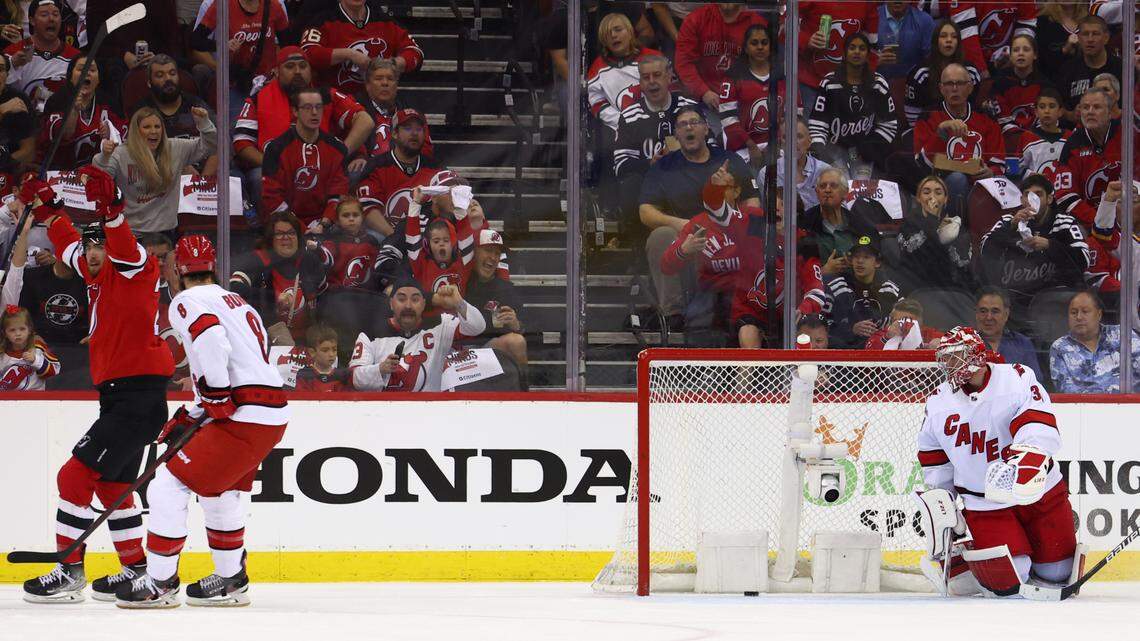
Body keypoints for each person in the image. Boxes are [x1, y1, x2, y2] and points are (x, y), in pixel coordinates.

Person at [23, 165, 174, 603]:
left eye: (101, 247)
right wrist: (49, 208)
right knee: (110, 486)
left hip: (138, 398)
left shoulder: (137, 268)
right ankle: (136, 571)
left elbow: (125, 246)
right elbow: (67, 242)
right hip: (120, 399)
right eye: (92, 246)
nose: (93, 253)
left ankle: (69, 571)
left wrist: (113, 214)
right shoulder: (96, 274)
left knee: (73, 476)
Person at [115, 234, 288, 608]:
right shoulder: (238, 301)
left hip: (243, 412)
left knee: (167, 484)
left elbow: (210, 338)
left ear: (178, 270)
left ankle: (160, 584)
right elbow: (242, 359)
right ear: (213, 267)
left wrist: (216, 396)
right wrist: (197, 410)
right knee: (220, 491)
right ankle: (231, 580)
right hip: (269, 412)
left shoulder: (185, 300)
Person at [915, 326, 1078, 597]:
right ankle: (963, 560)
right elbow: (934, 456)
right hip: (985, 504)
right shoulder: (938, 402)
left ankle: (1044, 543)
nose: (949, 365)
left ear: (977, 355)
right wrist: (942, 498)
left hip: (1038, 493)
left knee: (1057, 574)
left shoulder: (1016, 378)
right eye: (946, 358)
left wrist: (1028, 458)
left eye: (956, 356)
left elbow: (1036, 422)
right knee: (1010, 582)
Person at [639, 105, 758, 325]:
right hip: (685, 235)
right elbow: (645, 211)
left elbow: (752, 202)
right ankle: (672, 314)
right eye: (682, 125)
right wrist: (680, 224)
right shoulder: (663, 167)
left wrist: (737, 225)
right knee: (660, 236)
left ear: (706, 129)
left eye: (694, 122)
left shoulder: (729, 160)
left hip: (727, 233)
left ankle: (749, 304)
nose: (688, 128)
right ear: (676, 134)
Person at [232, 47, 373, 178]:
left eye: (303, 66)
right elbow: (242, 143)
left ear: (310, 71)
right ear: (276, 71)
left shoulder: (327, 95)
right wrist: (270, 164)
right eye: (290, 66)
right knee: (257, 178)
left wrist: (340, 154)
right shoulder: (257, 100)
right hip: (274, 171)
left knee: (359, 172)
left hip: (323, 169)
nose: (298, 71)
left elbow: (365, 121)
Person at [94, 106, 217, 237]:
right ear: (136, 131)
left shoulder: (176, 148)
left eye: (157, 126)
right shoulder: (121, 153)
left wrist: (204, 123)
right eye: (147, 127)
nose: (153, 131)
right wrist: (104, 156)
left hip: (166, 235)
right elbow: (100, 177)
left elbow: (210, 145)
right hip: (130, 234)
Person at [349, 279, 485, 392]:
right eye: (401, 299)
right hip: (385, 414)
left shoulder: (441, 324)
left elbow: (477, 327)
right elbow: (355, 379)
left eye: (415, 299)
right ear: (391, 303)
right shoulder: (369, 333)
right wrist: (380, 369)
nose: (408, 305)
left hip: (429, 414)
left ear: (424, 304)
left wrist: (458, 303)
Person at [979, 173, 1090, 312]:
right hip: (1012, 301)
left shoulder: (1064, 223)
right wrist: (1011, 227)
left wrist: (1050, 245)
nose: (1032, 199)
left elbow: (1084, 259)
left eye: (1038, 194)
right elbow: (984, 251)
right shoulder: (1008, 221)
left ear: (1049, 199)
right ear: (1021, 199)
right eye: (1027, 195)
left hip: (1053, 301)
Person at [807, 31, 899, 175]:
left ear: (868, 54)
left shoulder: (878, 84)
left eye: (862, 48)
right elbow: (818, 123)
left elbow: (889, 124)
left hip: (864, 152)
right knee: (840, 186)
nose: (857, 52)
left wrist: (872, 146)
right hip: (834, 149)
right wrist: (819, 146)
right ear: (844, 53)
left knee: (860, 188)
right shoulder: (830, 83)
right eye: (852, 48)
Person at [914, 63, 1005, 204]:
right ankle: (953, 225)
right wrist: (941, 132)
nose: (955, 89)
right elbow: (921, 164)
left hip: (982, 185)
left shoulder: (986, 117)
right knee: (958, 178)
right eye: (949, 83)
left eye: (960, 83)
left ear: (970, 88)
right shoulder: (928, 116)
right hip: (941, 186)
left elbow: (999, 161)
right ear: (941, 88)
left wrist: (991, 171)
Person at [261, 87, 350, 229]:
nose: (314, 112)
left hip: (325, 225)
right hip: (286, 226)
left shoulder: (337, 149)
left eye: (318, 107)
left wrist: (324, 224)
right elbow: (272, 198)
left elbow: (338, 193)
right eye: (307, 107)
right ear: (295, 111)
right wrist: (301, 228)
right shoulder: (276, 149)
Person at [229, 211, 325, 343]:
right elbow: (233, 288)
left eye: (291, 233)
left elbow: (325, 298)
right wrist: (273, 297)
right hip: (266, 340)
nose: (286, 237)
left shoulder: (309, 261)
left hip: (308, 342)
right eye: (280, 234)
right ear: (270, 238)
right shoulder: (257, 260)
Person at [299, 0, 424, 95]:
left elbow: (415, 52)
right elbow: (308, 53)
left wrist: (394, 63)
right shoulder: (323, 21)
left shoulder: (387, 22)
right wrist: (349, 54)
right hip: (335, 103)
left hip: (378, 102)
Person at [355, 108, 444, 237]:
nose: (414, 133)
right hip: (386, 236)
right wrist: (395, 238)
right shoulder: (376, 166)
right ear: (395, 133)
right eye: (407, 128)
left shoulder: (435, 168)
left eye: (419, 129)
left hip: (426, 239)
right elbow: (369, 210)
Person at [719, 25, 798, 166]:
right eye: (754, 43)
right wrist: (751, 145)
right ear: (746, 48)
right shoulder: (733, 77)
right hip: (742, 147)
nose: (760, 47)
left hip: (778, 145)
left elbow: (794, 114)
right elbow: (728, 119)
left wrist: (776, 142)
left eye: (764, 42)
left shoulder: (784, 75)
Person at [1048, 87, 1123, 227]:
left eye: (1097, 107)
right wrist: (1099, 221)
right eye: (1085, 107)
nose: (1090, 112)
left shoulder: (1127, 133)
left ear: (1110, 112)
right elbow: (1065, 195)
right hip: (1091, 225)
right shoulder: (1073, 144)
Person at [674, 3, 767, 113]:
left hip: (744, 103)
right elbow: (684, 63)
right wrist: (704, 92)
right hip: (703, 103)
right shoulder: (696, 19)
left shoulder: (757, 24)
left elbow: (763, 68)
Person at [40, 55, 124, 171]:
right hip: (61, 173)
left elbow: (124, 138)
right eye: (81, 69)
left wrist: (111, 134)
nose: (87, 72)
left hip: (100, 173)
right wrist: (74, 110)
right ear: (70, 77)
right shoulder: (57, 101)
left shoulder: (108, 103)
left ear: (99, 78)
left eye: (92, 70)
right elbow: (63, 136)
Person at [819, 234, 902, 349]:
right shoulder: (836, 287)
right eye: (856, 257)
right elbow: (823, 327)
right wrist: (851, 330)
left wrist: (887, 332)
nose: (860, 261)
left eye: (866, 257)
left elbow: (907, 322)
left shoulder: (891, 290)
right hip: (846, 356)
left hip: (882, 354)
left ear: (877, 262)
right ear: (851, 260)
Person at [462, 229, 527, 374]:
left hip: (488, 351)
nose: (493, 257)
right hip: (456, 350)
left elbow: (527, 328)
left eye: (497, 253)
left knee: (516, 342)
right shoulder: (459, 281)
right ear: (475, 252)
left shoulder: (506, 288)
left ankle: (523, 395)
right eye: (488, 250)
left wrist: (516, 325)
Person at [1050, 289, 1140, 393]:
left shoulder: (1123, 335)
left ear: (1099, 314)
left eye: (1085, 311)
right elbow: (1066, 390)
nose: (1079, 317)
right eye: (1073, 312)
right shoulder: (1060, 347)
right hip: (1081, 408)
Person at [586, 12, 664, 130]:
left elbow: (671, 91)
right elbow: (596, 103)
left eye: (618, 29)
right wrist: (622, 121)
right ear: (604, 41)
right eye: (607, 33)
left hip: (657, 125)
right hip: (621, 133)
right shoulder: (597, 68)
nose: (613, 35)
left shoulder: (654, 58)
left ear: (630, 32)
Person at [896, 175, 973, 292]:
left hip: (947, 292)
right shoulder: (909, 223)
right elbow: (909, 250)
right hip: (915, 289)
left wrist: (951, 236)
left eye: (938, 193)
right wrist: (932, 222)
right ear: (918, 198)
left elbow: (963, 264)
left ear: (946, 199)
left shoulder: (952, 226)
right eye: (926, 192)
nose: (932, 197)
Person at [795, 1, 878, 107]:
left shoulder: (867, 4)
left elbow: (871, 44)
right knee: (812, 123)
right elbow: (785, 24)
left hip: (850, 83)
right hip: (813, 82)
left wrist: (867, 74)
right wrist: (806, 40)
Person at [3, 0, 80, 111]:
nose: (51, 19)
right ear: (32, 20)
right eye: (44, 15)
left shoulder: (76, 58)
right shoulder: (12, 53)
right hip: (23, 124)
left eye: (55, 14)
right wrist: (11, 65)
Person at [799, 167, 884, 267]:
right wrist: (823, 273)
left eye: (833, 186)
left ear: (845, 192)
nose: (827, 190)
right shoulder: (802, 224)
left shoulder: (862, 226)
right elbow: (794, 271)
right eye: (822, 186)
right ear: (817, 192)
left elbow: (875, 266)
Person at [904, 20, 982, 128]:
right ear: (936, 41)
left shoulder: (970, 72)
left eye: (954, 37)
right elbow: (912, 116)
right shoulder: (920, 74)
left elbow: (975, 108)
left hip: (966, 129)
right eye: (943, 36)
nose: (949, 40)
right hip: (930, 132)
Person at [357, 57, 434, 159]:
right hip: (368, 170)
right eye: (378, 78)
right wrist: (358, 156)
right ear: (367, 85)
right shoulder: (355, 110)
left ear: (396, 84)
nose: (385, 83)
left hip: (404, 168)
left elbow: (426, 151)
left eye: (390, 79)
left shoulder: (412, 112)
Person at [933, 1, 1037, 75]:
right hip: (972, 58)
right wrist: (981, 71)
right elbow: (966, 34)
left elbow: (1026, 22)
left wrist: (1014, 56)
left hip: (1006, 56)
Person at [132, 55, 216, 148]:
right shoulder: (142, 112)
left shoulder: (197, 106)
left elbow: (220, 142)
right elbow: (137, 152)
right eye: (160, 75)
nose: (168, 78)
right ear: (149, 82)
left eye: (172, 73)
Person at [756, 117, 833, 213]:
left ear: (809, 141)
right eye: (786, 137)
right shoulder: (768, 174)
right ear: (780, 143)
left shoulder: (825, 172)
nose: (792, 142)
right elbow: (768, 213)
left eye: (799, 136)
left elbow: (837, 211)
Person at [988, 35, 1053, 135]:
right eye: (1016, 50)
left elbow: (1047, 119)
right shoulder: (999, 84)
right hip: (1009, 139)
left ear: (1035, 55)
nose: (1021, 53)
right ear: (1010, 55)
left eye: (1026, 50)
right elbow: (1003, 121)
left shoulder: (1045, 85)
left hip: (1039, 140)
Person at [974, 286, 1042, 380]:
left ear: (1006, 315)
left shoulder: (1022, 344)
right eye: (983, 311)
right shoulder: (967, 346)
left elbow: (1035, 383)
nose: (988, 317)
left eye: (995, 311)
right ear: (976, 314)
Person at [1057, 16, 1121, 115]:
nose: (1090, 39)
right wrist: (1072, 115)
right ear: (1078, 37)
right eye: (1085, 34)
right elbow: (1061, 110)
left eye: (1095, 34)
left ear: (1106, 38)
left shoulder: (1122, 69)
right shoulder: (1067, 70)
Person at [0, 303, 60, 389]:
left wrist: (36, 360)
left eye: (22, 329)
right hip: (9, 401)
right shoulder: (2, 354)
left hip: (36, 399)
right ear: (4, 333)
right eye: (12, 330)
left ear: (30, 329)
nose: (18, 334)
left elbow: (54, 371)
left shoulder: (38, 348)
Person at [1017, 87, 1070, 177]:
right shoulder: (1027, 137)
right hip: (1034, 189)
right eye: (1042, 107)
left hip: (1064, 189)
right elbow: (1016, 168)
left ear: (1060, 111)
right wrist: (1031, 176)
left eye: (1052, 106)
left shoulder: (1070, 137)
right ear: (1036, 112)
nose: (1047, 111)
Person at [875, 0, 933, 80]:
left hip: (913, 84)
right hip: (876, 84)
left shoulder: (925, 21)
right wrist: (874, 60)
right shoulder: (871, 18)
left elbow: (932, 58)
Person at [0, 53, 35, 173]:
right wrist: (2, 110)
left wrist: (5, 164)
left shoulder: (18, 98)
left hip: (9, 170)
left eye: (1, 70)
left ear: (7, 75)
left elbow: (28, 150)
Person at [863, 298, 942, 350]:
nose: (901, 324)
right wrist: (886, 338)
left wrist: (943, 345)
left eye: (907, 320)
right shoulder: (881, 335)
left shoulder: (930, 334)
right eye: (897, 320)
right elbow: (868, 356)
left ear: (919, 322)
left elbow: (952, 343)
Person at [294, 324, 351, 392]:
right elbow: (302, 399)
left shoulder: (342, 375)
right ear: (312, 352)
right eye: (325, 350)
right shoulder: (304, 375)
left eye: (334, 349)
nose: (331, 354)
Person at [1036, 1, 1087, 73]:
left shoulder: (1090, 20)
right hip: (1054, 78)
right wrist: (1065, 49)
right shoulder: (1042, 22)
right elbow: (1042, 60)